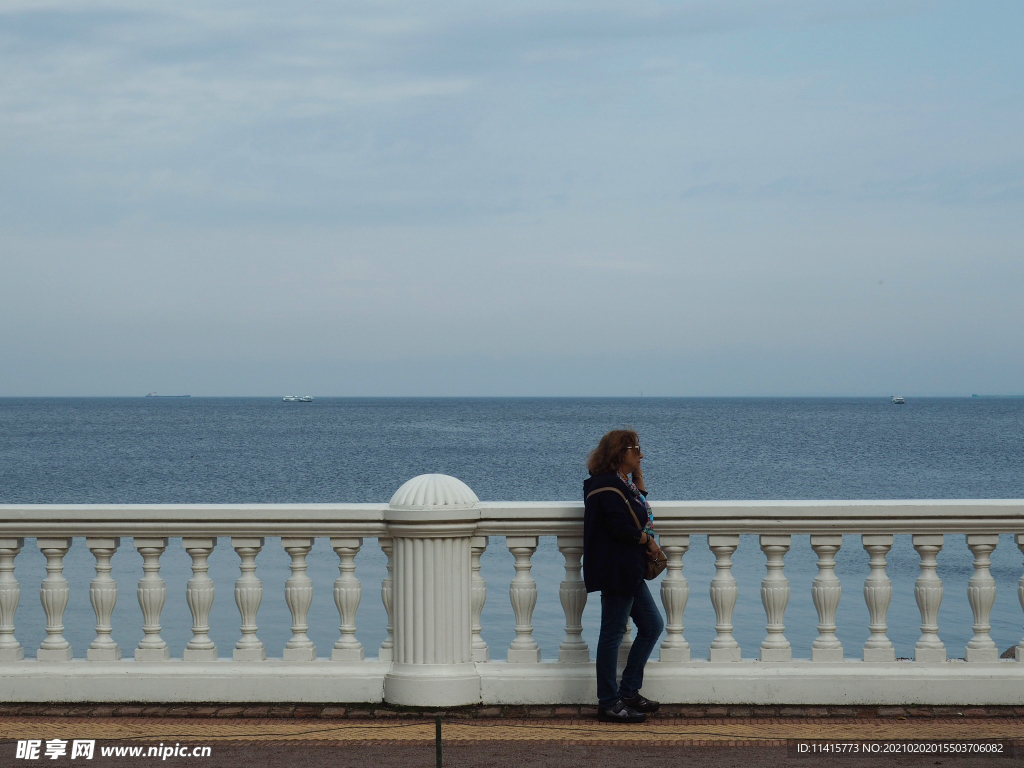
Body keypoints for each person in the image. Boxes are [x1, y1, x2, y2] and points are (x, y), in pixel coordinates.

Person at [583, 429, 666, 723]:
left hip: (628, 570)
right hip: (616, 569)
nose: (641, 454)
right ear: (621, 453)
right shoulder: (605, 486)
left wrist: (638, 474)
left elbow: (641, 509)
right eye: (637, 449)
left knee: (653, 625)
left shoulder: (620, 484)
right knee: (612, 634)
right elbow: (621, 528)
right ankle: (608, 701)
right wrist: (648, 541)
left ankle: (628, 691)